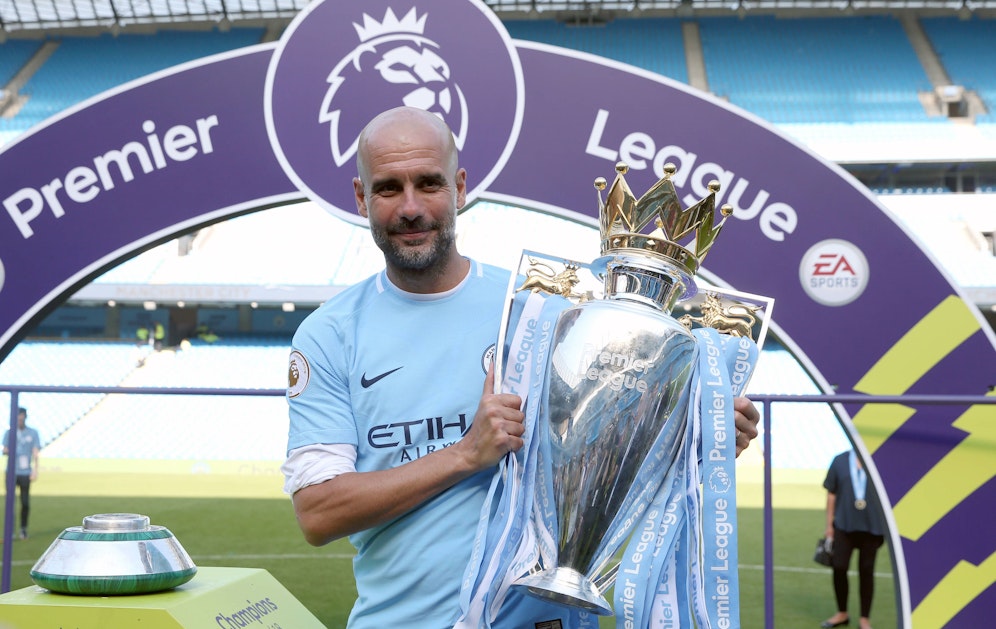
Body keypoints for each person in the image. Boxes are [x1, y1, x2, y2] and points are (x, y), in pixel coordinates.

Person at [281, 106, 761, 628]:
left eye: (429, 183)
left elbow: (608, 460)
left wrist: (696, 438)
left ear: (460, 188)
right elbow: (319, 512)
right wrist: (466, 454)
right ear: (361, 197)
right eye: (389, 188)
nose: (411, 207)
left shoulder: (544, 312)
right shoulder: (330, 334)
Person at [821, 449, 886, 629]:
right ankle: (842, 613)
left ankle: (865, 619)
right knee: (839, 567)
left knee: (867, 571)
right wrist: (829, 526)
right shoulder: (840, 460)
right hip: (843, 525)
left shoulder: (879, 460)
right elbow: (831, 494)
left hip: (872, 527)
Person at [2, 407, 41, 540]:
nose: (19, 421)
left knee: (25, 502)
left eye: (21, 418)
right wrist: (9, 451)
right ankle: (10, 530)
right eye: (17, 419)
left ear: (25, 417)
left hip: (25, 472)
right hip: (11, 472)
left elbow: (36, 452)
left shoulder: (33, 433)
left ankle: (23, 529)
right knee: (10, 503)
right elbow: (5, 449)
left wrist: (35, 470)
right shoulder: (9, 432)